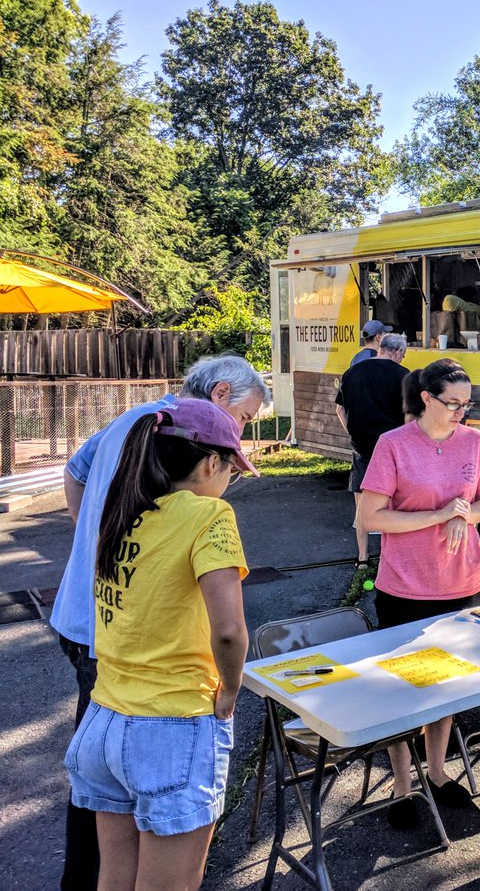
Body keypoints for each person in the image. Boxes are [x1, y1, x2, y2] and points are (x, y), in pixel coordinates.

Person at [51, 355, 267, 889]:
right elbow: (228, 629)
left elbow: (75, 473)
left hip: (105, 710)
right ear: (210, 463)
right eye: (242, 423)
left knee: (111, 872)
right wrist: (231, 690)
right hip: (171, 721)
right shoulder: (206, 515)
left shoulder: (126, 501)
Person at [358, 358, 480, 829]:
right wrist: (439, 515)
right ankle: (402, 782)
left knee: (447, 687)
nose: (462, 411)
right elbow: (373, 517)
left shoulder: (475, 442)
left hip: (462, 583)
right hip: (405, 587)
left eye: (467, 403)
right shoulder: (392, 445)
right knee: (400, 690)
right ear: (426, 399)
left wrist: (466, 514)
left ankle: (436, 770)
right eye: (453, 403)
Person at [335, 333, 409, 567]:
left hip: (361, 448)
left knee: (362, 503)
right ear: (396, 352)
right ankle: (393, 556)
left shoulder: (352, 373)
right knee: (396, 504)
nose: (402, 358)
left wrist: (352, 432)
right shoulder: (404, 376)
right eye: (403, 354)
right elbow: (410, 417)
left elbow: (339, 409)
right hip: (393, 450)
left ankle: (363, 558)